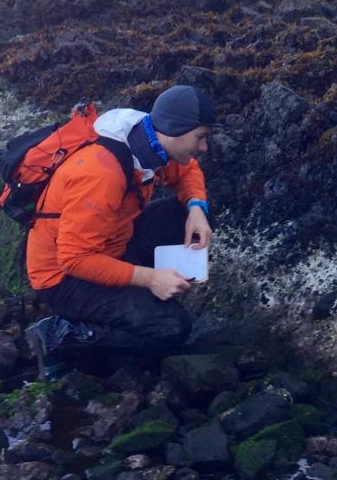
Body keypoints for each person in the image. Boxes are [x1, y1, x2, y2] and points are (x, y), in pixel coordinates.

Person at [24, 84, 216, 379]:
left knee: (180, 214)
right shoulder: (101, 173)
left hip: (111, 240)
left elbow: (187, 170)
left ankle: (147, 295)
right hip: (63, 278)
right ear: (176, 129)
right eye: (200, 137)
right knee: (173, 328)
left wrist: (196, 208)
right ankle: (58, 336)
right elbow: (74, 259)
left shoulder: (148, 139)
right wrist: (150, 278)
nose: (203, 148)